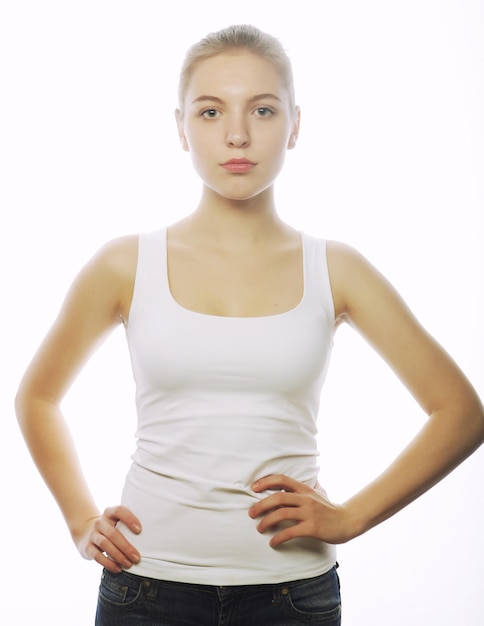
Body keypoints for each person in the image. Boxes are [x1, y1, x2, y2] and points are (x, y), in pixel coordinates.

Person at [15, 24, 484, 626]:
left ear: (295, 124)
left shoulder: (336, 268)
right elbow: (39, 396)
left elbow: (460, 412)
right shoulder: (123, 264)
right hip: (145, 589)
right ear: (181, 127)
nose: (237, 134)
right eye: (210, 111)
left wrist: (353, 516)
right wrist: (81, 520)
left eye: (262, 109)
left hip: (292, 593)